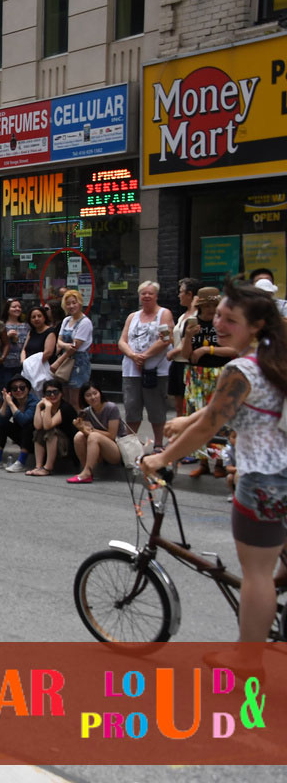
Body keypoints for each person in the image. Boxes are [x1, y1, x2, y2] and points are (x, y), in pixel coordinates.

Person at [141, 281, 287, 661]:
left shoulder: (240, 368)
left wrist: (160, 457)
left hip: (263, 480)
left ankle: (247, 660)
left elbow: (212, 426)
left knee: (257, 576)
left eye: (230, 319)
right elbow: (229, 409)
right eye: (218, 314)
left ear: (255, 326)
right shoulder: (274, 356)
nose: (219, 323)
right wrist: (187, 418)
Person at [173, 286, 239, 474]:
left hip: (220, 372)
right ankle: (202, 463)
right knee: (195, 417)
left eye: (214, 305)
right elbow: (186, 355)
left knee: (219, 418)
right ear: (201, 306)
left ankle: (219, 463)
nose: (211, 309)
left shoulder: (224, 323)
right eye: (208, 305)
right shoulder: (191, 322)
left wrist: (206, 350)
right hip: (196, 375)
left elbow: (233, 350)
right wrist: (188, 338)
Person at [118, 281, 174, 450]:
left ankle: (158, 444)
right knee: (131, 407)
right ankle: (131, 445)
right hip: (131, 370)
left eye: (150, 293)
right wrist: (133, 355)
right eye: (143, 293)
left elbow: (166, 339)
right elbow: (122, 341)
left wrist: (145, 356)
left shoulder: (164, 314)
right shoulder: (132, 316)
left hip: (155, 370)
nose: (147, 296)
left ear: (156, 295)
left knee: (156, 408)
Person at [68, 382, 132, 483]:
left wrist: (91, 431)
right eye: (88, 395)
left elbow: (112, 435)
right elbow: (87, 433)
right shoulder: (87, 412)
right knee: (78, 436)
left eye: (95, 393)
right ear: (84, 398)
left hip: (116, 449)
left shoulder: (111, 408)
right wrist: (82, 429)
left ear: (100, 393)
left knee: (94, 436)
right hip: (99, 450)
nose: (93, 397)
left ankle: (87, 473)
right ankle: (86, 470)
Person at [0, 375, 37, 472]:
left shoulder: (34, 402)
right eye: (15, 389)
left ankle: (22, 462)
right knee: (3, 425)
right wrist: (5, 402)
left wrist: (10, 403)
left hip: (35, 441)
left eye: (22, 387)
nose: (18, 390)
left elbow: (25, 420)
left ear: (28, 389)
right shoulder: (13, 401)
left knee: (28, 426)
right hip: (21, 438)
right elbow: (0, 421)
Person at [26, 379, 77, 476]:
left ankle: (47, 468)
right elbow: (37, 426)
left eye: (55, 392)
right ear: (44, 395)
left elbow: (48, 425)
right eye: (48, 393)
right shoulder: (44, 406)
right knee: (38, 432)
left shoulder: (65, 408)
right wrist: (38, 407)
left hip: (68, 447)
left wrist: (48, 407)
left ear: (61, 393)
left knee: (51, 432)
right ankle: (38, 466)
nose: (52, 395)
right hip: (52, 444)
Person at [52, 289, 92, 408]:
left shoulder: (85, 322)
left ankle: (78, 424)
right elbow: (58, 341)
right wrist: (65, 345)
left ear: (80, 303)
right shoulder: (66, 320)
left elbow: (75, 347)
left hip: (78, 362)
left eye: (74, 302)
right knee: (64, 397)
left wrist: (58, 361)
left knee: (75, 400)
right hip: (66, 361)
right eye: (68, 303)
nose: (71, 306)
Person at [169, 277, 202, 417]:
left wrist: (173, 352)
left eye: (181, 292)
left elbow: (191, 339)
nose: (179, 295)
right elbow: (179, 340)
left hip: (187, 363)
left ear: (190, 294)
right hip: (177, 364)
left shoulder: (197, 316)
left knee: (189, 406)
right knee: (178, 406)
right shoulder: (183, 315)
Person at [0, 299, 29, 383]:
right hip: (6, 365)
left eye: (19, 307)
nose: (17, 309)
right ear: (7, 309)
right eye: (14, 307)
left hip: (22, 364)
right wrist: (7, 336)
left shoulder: (26, 326)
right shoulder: (1, 325)